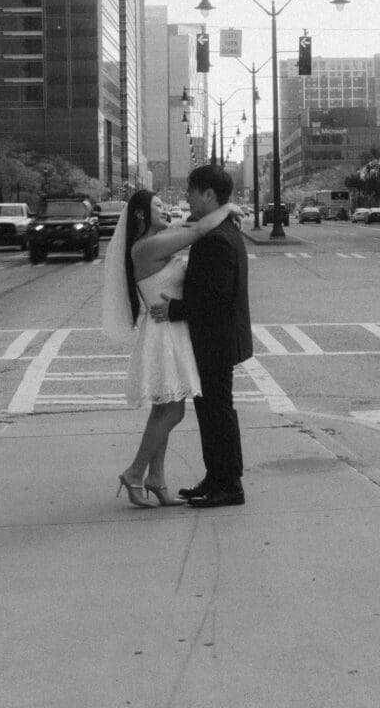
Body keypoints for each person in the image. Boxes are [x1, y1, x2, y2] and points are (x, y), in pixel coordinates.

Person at [102, 188, 242, 508]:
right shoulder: (147, 247)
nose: (165, 211)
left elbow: (189, 230)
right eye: (158, 206)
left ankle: (157, 479)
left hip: (168, 331)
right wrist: (227, 206)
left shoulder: (150, 244)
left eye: (165, 206)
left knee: (161, 409)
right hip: (165, 335)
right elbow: (196, 231)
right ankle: (135, 471)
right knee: (174, 410)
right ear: (140, 214)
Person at [150, 165, 253, 508]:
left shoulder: (217, 240)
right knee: (212, 411)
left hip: (216, 340)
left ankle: (229, 485)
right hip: (216, 338)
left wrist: (175, 309)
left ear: (209, 195)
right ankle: (217, 478)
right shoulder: (219, 231)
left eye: (192, 192)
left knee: (217, 412)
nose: (188, 198)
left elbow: (215, 298)